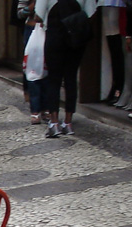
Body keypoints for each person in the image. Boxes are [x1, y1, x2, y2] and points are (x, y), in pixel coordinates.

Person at [36, 0, 96, 137]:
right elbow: (90, 13)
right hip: (75, 36)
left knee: (54, 79)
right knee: (71, 78)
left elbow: (38, 14)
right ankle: (68, 122)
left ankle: (54, 123)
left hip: (54, 35)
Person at [17, 0, 48, 124]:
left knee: (47, 70)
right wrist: (33, 5)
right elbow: (19, 13)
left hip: (48, 28)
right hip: (32, 29)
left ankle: (46, 108)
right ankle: (35, 110)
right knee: (33, 69)